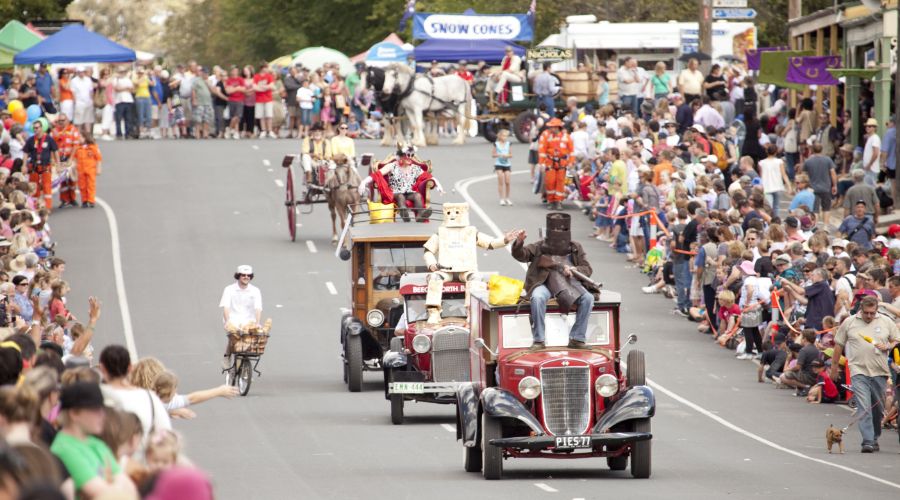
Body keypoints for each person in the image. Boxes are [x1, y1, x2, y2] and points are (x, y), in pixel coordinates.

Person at [512, 213, 596, 350]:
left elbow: (587, 268)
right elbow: (521, 255)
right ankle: (539, 340)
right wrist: (519, 243)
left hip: (568, 284)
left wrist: (575, 269)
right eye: (555, 230)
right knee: (538, 297)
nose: (558, 233)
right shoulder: (539, 246)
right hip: (544, 284)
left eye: (561, 230)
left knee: (588, 298)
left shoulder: (575, 247)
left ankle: (577, 338)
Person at [422, 203, 516, 323]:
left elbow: (490, 243)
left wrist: (505, 240)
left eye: (457, 212)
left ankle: (472, 312)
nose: (453, 215)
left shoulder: (472, 232)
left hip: (466, 271)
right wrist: (431, 264)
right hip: (445, 271)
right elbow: (428, 250)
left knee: (476, 278)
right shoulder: (441, 232)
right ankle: (433, 312)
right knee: (434, 278)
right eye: (449, 212)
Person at [831, 295, 900, 452]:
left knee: (877, 408)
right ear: (861, 309)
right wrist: (834, 367)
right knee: (864, 406)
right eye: (866, 312)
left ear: (877, 310)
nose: (869, 316)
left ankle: (875, 436)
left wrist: (888, 345)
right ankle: (867, 440)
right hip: (858, 370)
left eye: (872, 313)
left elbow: (897, 340)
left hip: (880, 371)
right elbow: (838, 344)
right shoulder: (850, 322)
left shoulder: (886, 321)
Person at [50, 382, 137, 497]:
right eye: (96, 410)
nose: (103, 415)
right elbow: (102, 493)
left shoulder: (96, 443)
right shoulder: (64, 448)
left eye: (103, 409)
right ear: (74, 413)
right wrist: (116, 486)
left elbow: (129, 487)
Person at [219, 265, 262, 369]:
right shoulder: (229, 289)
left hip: (248, 319)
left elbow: (258, 308)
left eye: (248, 275)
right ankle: (227, 356)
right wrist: (228, 321)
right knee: (233, 338)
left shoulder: (255, 290)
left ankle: (245, 367)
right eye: (243, 275)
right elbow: (226, 307)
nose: (246, 277)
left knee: (249, 339)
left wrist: (257, 322)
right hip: (233, 318)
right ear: (238, 276)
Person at [22, 119, 59, 210]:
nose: (35, 130)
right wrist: (24, 165)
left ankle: (47, 207)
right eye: (34, 128)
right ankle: (35, 206)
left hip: (45, 167)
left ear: (42, 128)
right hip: (34, 167)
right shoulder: (30, 140)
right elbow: (25, 153)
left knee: (47, 187)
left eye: (37, 128)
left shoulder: (49, 139)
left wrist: (58, 164)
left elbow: (55, 151)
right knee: (34, 188)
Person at [538, 118, 574, 210]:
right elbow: (542, 150)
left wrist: (571, 162)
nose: (550, 128)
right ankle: (550, 201)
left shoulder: (566, 137)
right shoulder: (546, 135)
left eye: (552, 127)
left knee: (560, 182)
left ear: (557, 127)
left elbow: (571, 151)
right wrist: (541, 163)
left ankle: (559, 201)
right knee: (550, 182)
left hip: (562, 163)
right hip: (550, 163)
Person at [800, 142, 837, 225]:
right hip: (826, 187)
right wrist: (834, 185)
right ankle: (826, 226)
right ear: (822, 149)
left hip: (812, 188)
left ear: (812, 149)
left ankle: (814, 225)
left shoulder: (808, 161)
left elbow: (803, 174)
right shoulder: (828, 160)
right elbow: (833, 173)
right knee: (826, 208)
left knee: (815, 208)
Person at [758, 144, 792, 217]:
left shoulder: (761, 163)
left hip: (766, 187)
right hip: (778, 186)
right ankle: (776, 221)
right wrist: (789, 186)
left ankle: (769, 220)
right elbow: (784, 174)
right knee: (776, 207)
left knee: (768, 207)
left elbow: (761, 176)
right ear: (776, 152)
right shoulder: (779, 162)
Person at [73, 135, 102, 208]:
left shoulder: (93, 147)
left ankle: (91, 200)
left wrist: (98, 169)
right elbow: (75, 159)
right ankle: (84, 200)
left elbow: (98, 159)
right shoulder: (78, 148)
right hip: (81, 170)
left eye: (81, 138)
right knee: (82, 186)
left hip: (90, 170)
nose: (79, 139)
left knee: (91, 185)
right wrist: (74, 170)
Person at [69, 66, 95, 138]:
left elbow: (91, 91)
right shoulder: (74, 81)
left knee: (88, 120)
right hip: (79, 103)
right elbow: (73, 93)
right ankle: (78, 136)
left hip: (88, 102)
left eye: (83, 72)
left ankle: (88, 137)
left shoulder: (88, 80)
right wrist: (75, 103)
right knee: (78, 121)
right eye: (80, 72)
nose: (81, 73)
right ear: (77, 73)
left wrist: (92, 100)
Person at [253, 64, 276, 138]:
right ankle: (263, 130)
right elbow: (254, 87)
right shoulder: (256, 76)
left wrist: (262, 87)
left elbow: (272, 86)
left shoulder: (269, 76)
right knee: (261, 116)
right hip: (259, 99)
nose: (266, 69)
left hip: (268, 98)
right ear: (262, 68)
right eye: (265, 68)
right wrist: (266, 87)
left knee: (269, 115)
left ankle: (270, 130)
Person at [224, 66, 246, 140]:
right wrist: (237, 88)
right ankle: (235, 131)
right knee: (233, 116)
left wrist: (234, 89)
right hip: (231, 100)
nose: (234, 72)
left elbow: (243, 89)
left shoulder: (240, 79)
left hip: (240, 100)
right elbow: (228, 91)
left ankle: (229, 129)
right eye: (233, 70)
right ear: (231, 71)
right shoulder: (229, 80)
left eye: (236, 70)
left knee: (237, 116)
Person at [493, 128, 513, 206]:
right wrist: (499, 155)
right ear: (500, 136)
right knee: (500, 180)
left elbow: (511, 154)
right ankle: (501, 199)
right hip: (499, 164)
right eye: (504, 136)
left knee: (507, 182)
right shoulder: (496, 144)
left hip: (507, 164)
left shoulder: (508, 144)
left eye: (506, 136)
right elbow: (493, 154)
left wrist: (507, 155)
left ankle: (507, 198)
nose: (505, 137)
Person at [862, 118, 881, 186]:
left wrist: (869, 164)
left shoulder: (875, 138)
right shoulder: (870, 138)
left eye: (870, 126)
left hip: (871, 169)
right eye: (866, 126)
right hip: (869, 168)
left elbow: (875, 153)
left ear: (874, 128)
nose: (867, 127)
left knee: (870, 188)